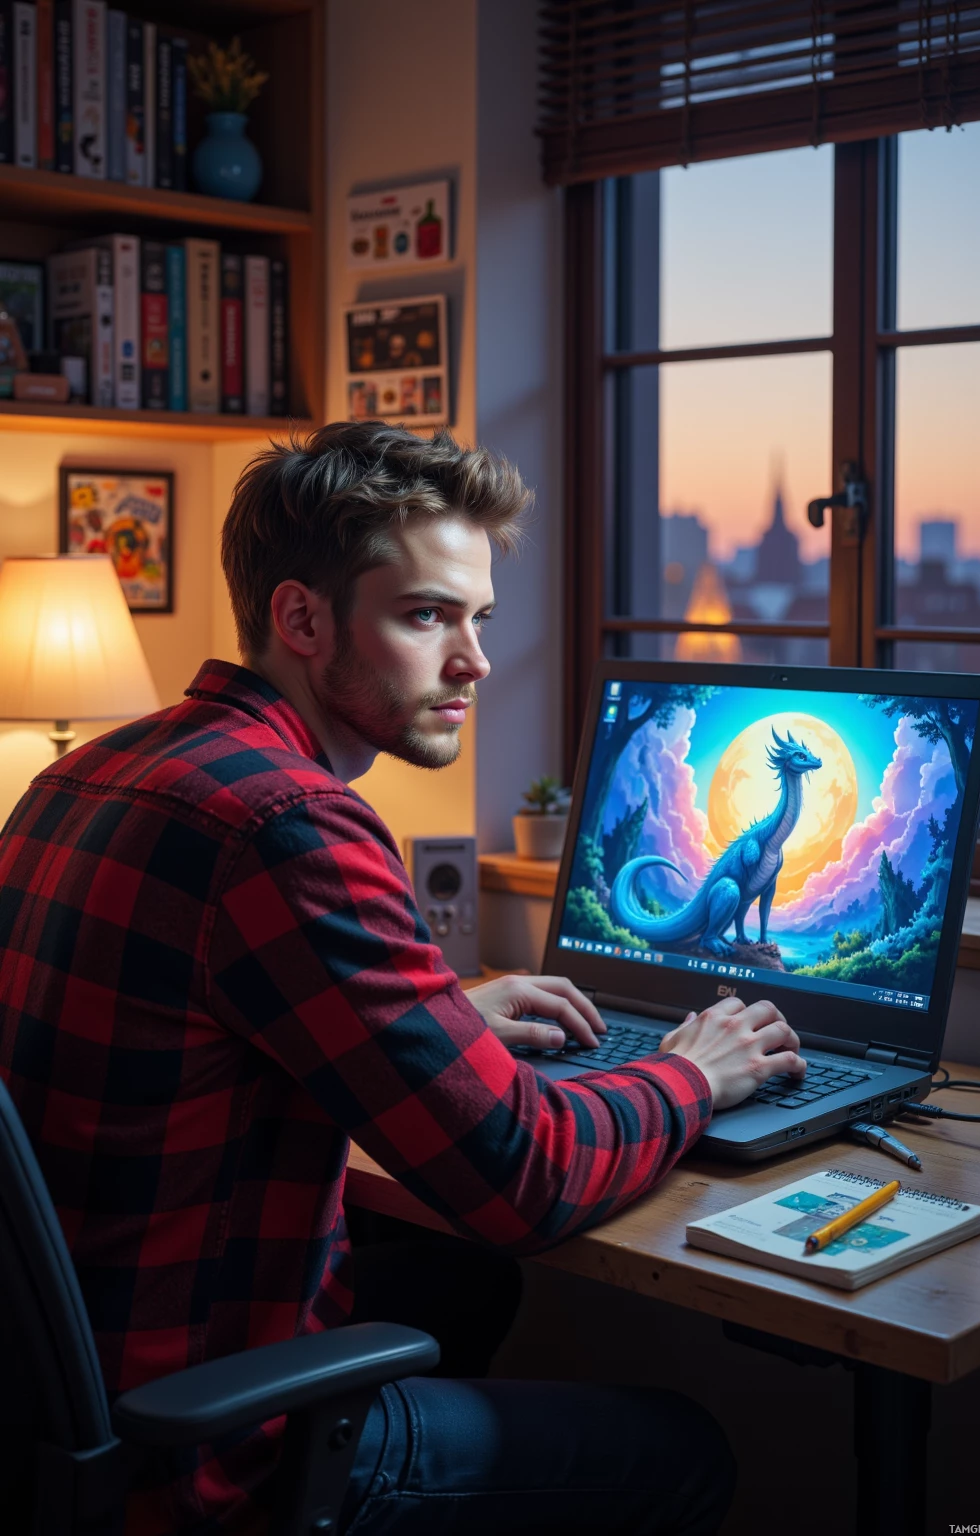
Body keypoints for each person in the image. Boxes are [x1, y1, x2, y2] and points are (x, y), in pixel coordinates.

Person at [0, 422, 805, 1536]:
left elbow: (193, 1023)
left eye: (478, 618)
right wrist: (691, 1075)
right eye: (427, 616)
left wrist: (443, 1018)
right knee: (681, 1450)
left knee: (468, 1286)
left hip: (57, 1386)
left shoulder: (89, 771)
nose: (473, 661)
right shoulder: (291, 825)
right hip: (179, 1451)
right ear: (301, 620)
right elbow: (524, 1181)